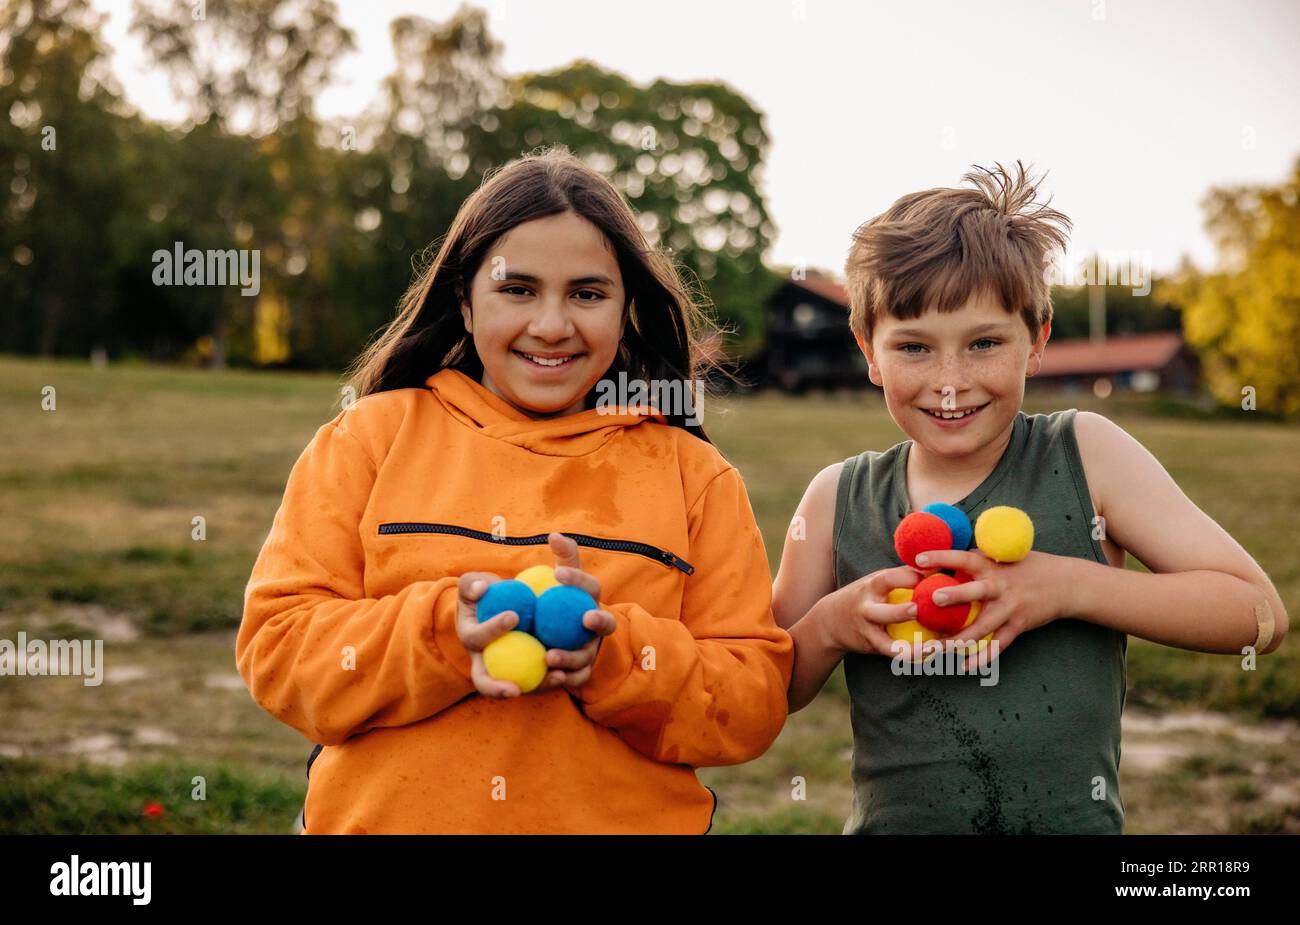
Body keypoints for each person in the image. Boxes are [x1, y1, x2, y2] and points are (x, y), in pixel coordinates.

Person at [236, 147, 793, 834]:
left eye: (587, 294)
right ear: (465, 303)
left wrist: (614, 657)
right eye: (517, 289)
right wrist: (445, 633)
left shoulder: (695, 477)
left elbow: (752, 698)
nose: (552, 325)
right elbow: (279, 649)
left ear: (626, 311)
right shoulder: (369, 439)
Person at [772, 162, 1288, 833]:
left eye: (984, 342)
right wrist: (831, 626)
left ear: (1037, 341)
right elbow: (767, 686)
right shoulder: (837, 497)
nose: (950, 382)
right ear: (869, 350)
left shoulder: (1085, 454)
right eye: (914, 347)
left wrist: (1065, 586)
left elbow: (1258, 616)